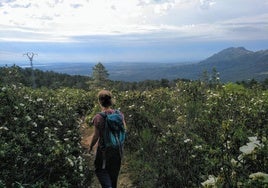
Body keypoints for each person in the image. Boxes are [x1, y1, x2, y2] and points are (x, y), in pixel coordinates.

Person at [89, 90, 126, 188]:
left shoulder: (98, 117)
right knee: (114, 175)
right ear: (111, 101)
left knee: (100, 170)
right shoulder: (119, 114)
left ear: (99, 101)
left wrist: (91, 146)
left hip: (104, 151)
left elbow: (96, 136)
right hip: (117, 150)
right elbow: (124, 129)